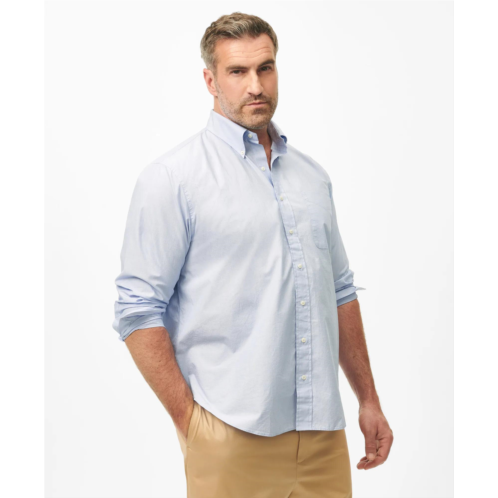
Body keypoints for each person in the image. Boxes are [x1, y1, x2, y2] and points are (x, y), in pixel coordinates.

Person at [113, 11, 393, 498]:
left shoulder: (312, 177)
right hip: (231, 434)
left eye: (265, 68)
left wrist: (368, 399)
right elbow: (137, 309)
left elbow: (340, 291)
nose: (255, 86)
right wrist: (192, 423)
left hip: (323, 435)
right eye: (237, 72)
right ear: (210, 80)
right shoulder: (173, 179)